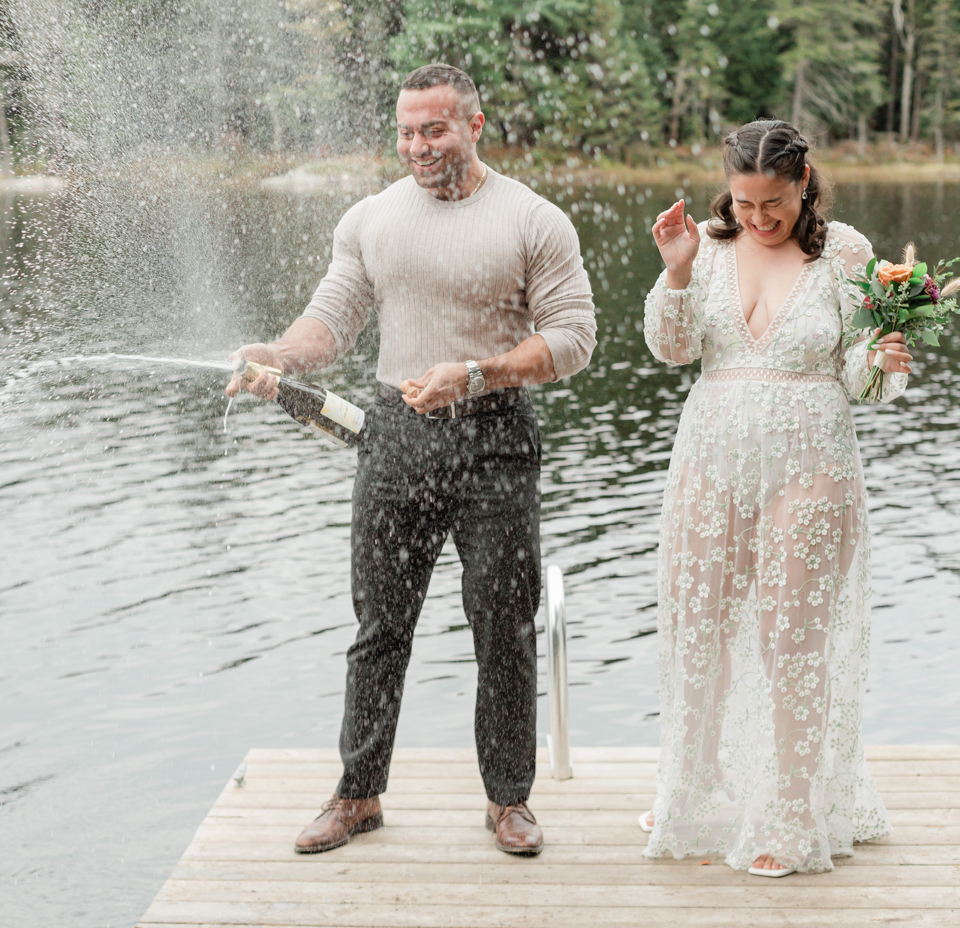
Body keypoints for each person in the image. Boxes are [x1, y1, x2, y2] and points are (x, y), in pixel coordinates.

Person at [226, 63, 596, 857]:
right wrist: (277, 356)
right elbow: (330, 323)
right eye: (405, 131)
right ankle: (358, 794)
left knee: (503, 626)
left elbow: (572, 341)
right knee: (380, 625)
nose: (417, 146)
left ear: (475, 125)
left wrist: (480, 372)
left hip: (495, 439)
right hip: (397, 438)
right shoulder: (371, 219)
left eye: (434, 129)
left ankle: (509, 801)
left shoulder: (533, 220)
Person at [640, 121, 911, 876]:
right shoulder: (710, 248)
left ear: (805, 183)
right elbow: (671, 348)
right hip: (712, 459)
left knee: (792, 641)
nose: (759, 219)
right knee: (699, 631)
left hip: (810, 463)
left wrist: (883, 358)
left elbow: (860, 377)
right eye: (745, 202)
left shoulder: (847, 253)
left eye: (775, 205)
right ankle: (688, 792)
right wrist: (679, 270)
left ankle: (789, 816)